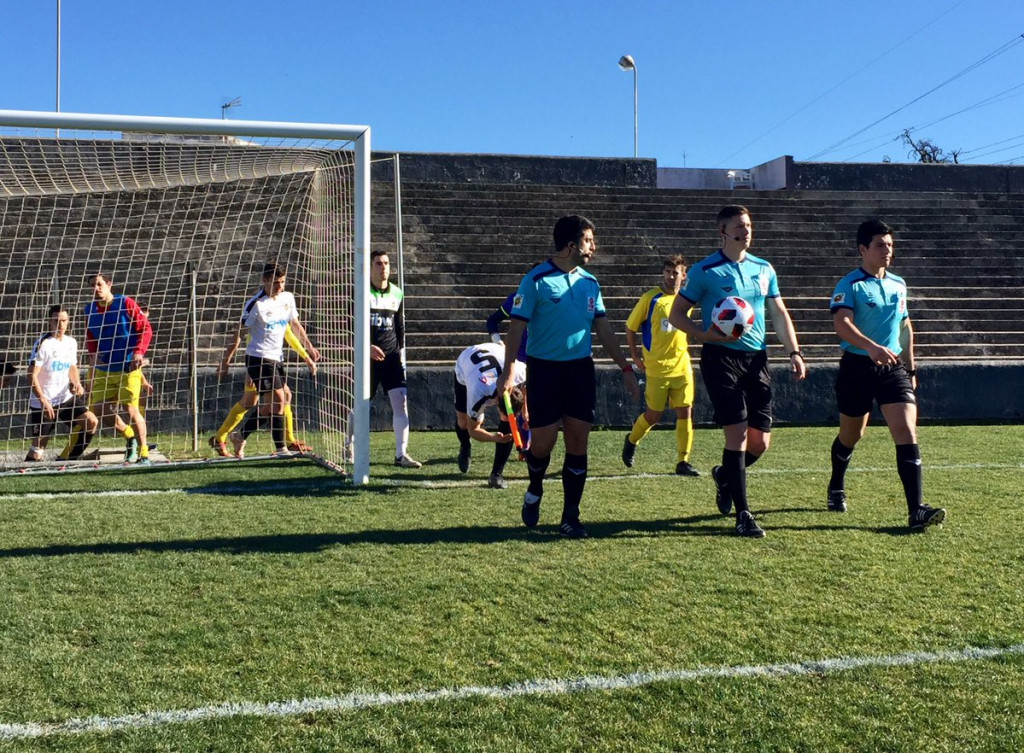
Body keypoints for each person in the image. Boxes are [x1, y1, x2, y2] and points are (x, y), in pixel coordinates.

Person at [495, 215, 640, 538]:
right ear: (572, 245)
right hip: (544, 371)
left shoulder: (590, 283)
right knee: (543, 445)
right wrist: (507, 374)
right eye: (589, 240)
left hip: (580, 371)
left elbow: (602, 327)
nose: (594, 246)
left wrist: (626, 368)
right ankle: (534, 489)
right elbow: (516, 327)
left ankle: (570, 516)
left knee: (578, 441)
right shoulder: (535, 280)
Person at [668, 205, 807, 538]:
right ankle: (744, 515)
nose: (746, 231)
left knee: (760, 443)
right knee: (739, 433)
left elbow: (778, 312)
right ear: (723, 231)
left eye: (748, 225)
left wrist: (794, 351)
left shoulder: (764, 268)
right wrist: (705, 335)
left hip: (757, 360)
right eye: (739, 226)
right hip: (720, 359)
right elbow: (677, 316)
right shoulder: (705, 271)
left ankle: (725, 475)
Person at [827, 219, 946, 531]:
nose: (887, 250)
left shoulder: (898, 284)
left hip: (892, 369)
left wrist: (910, 366)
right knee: (852, 436)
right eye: (880, 245)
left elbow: (904, 327)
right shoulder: (849, 285)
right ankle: (836, 484)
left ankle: (916, 510)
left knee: (906, 432)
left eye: (890, 245)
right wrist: (871, 347)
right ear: (863, 249)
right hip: (857, 367)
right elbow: (842, 325)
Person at [219, 262, 319, 457]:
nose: (279, 287)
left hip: (276, 358)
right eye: (275, 283)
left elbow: (295, 324)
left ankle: (240, 436)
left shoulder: (287, 298)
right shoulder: (256, 304)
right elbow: (239, 334)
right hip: (258, 358)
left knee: (280, 401)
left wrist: (309, 347)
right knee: (279, 399)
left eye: (282, 282)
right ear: (264, 280)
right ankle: (281, 448)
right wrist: (226, 361)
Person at [622, 255, 701, 477]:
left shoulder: (686, 299)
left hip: (682, 366)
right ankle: (631, 440)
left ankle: (683, 461)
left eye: (675, 272)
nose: (670, 276)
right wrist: (636, 357)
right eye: (667, 272)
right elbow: (630, 327)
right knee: (653, 416)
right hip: (656, 368)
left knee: (685, 411)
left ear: (683, 275)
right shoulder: (651, 298)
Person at [84, 272, 154, 465]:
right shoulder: (89, 310)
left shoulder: (126, 303)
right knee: (97, 409)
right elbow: (90, 334)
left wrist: (139, 352)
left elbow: (145, 329)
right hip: (104, 369)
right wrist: (93, 352)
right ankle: (129, 435)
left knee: (130, 409)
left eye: (99, 284)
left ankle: (144, 453)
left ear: (108, 284)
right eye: (92, 285)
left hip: (127, 367)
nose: (95, 288)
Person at [25, 305, 98, 462]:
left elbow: (72, 366)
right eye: (56, 321)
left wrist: (77, 383)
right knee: (38, 449)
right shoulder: (43, 344)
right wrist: (43, 400)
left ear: (68, 321)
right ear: (49, 322)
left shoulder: (71, 342)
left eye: (64, 321)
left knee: (91, 422)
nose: (60, 325)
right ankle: (25, 470)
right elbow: (31, 376)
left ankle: (67, 460)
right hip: (44, 403)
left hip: (65, 398)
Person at [370, 249, 421, 468]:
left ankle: (401, 454)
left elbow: (399, 326)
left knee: (401, 403)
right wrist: (367, 347)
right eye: (379, 264)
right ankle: (348, 444)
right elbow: (351, 327)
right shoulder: (361, 293)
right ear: (371, 267)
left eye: (387, 263)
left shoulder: (397, 293)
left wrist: (400, 351)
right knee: (361, 406)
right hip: (368, 360)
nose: (384, 268)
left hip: (391, 359)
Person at [453, 341, 527, 489]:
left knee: (508, 426)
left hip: (496, 352)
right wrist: (494, 438)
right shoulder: (479, 392)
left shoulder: (520, 372)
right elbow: (473, 430)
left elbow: (526, 386)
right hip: (466, 362)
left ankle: (496, 474)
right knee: (463, 423)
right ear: (497, 403)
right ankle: (465, 446)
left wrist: (525, 411)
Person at [485, 293, 528, 362]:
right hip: (520, 359)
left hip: (544, 357)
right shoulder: (519, 298)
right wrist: (498, 342)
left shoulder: (549, 298)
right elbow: (492, 321)